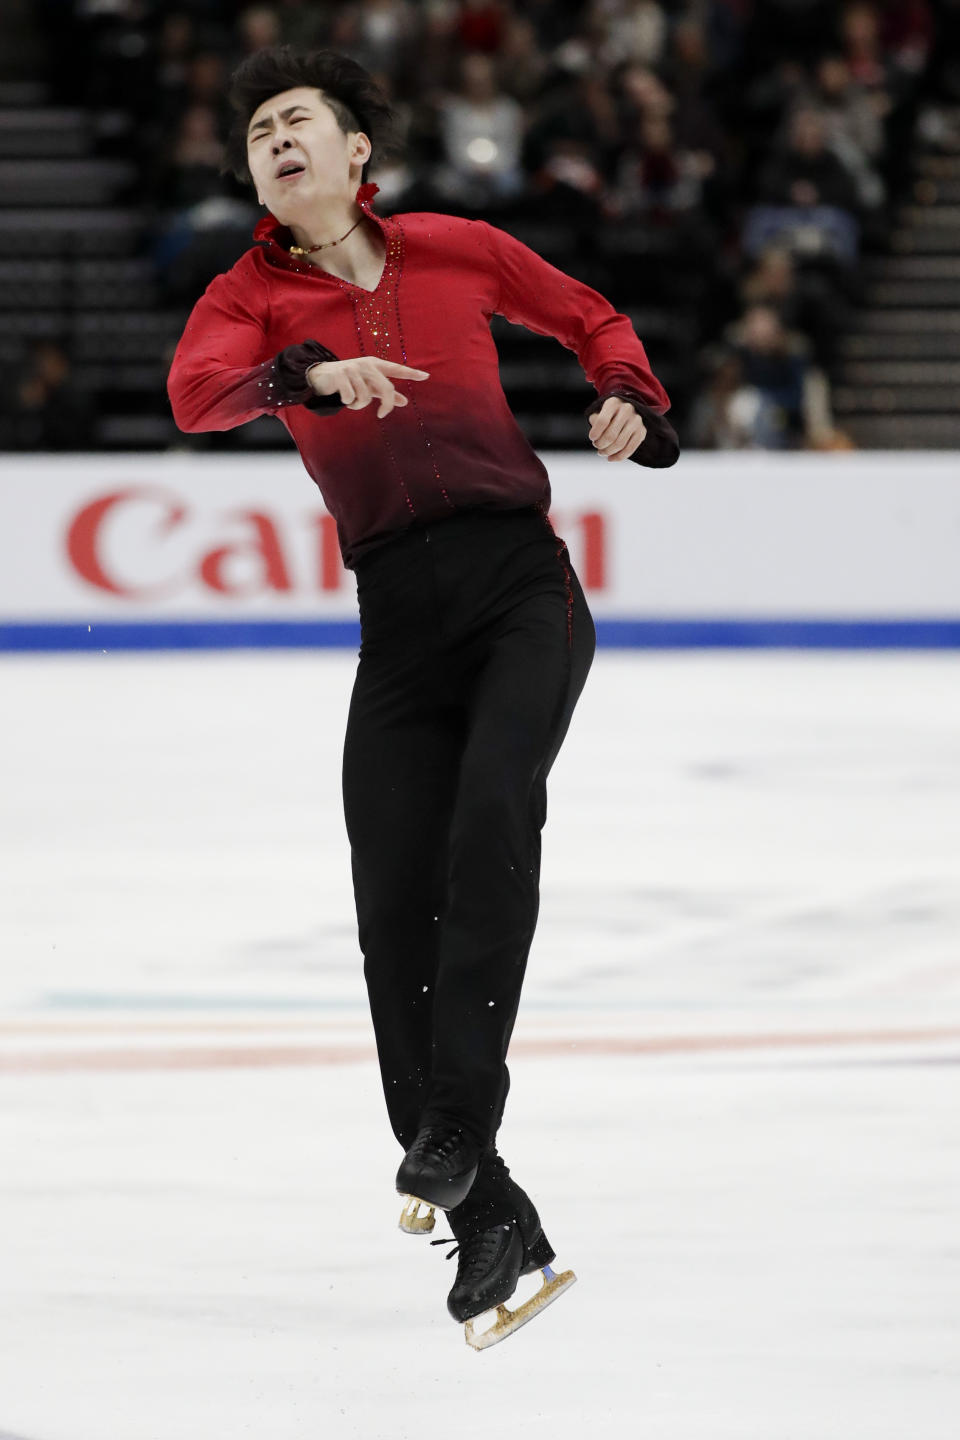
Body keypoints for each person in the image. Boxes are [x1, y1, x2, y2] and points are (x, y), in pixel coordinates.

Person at [167, 44, 678, 1348]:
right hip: (397, 622)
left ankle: (458, 1128)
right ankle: (487, 1207)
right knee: (392, 905)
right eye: (260, 130)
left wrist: (629, 394)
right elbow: (195, 395)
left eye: (301, 121)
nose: (278, 137)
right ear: (257, 179)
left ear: (356, 157)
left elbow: (593, 318)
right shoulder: (250, 296)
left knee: (490, 813)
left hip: (520, 589)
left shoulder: (456, 246)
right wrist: (304, 375)